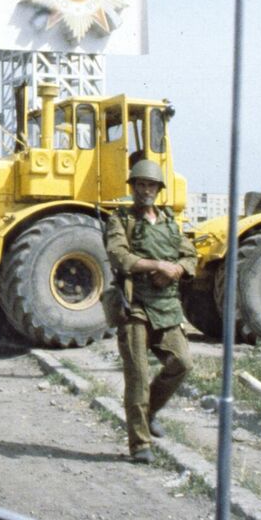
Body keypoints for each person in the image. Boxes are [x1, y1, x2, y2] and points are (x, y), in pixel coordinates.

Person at [104, 159, 198, 463]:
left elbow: (190, 256)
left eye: (151, 185)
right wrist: (157, 265)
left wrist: (176, 270)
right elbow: (119, 256)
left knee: (182, 362)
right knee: (138, 377)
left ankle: (151, 411)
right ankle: (140, 444)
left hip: (168, 305)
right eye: (140, 185)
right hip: (136, 306)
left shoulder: (170, 221)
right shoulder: (121, 220)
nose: (145, 190)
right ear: (133, 188)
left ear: (159, 190)